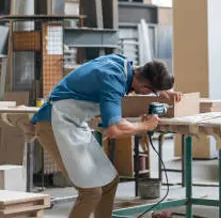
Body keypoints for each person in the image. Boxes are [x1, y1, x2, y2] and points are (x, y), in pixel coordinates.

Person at [31, 54, 182, 218]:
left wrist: (162, 91)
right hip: (54, 124)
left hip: (73, 123)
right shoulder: (113, 79)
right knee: (90, 192)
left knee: (109, 182)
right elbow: (114, 130)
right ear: (146, 88)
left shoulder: (122, 63)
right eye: (152, 92)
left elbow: (128, 88)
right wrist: (145, 126)